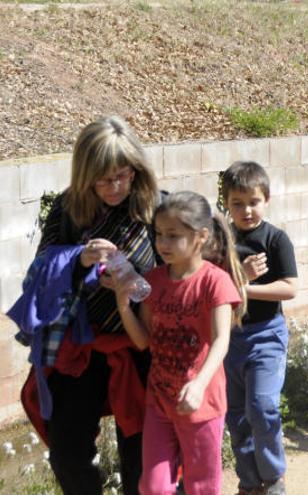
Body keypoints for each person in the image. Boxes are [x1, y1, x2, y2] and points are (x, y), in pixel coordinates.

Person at [27, 116, 160, 495]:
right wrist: (79, 258)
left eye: (123, 175)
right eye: (104, 179)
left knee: (142, 461)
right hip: (81, 347)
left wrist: (137, 278)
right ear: (85, 175)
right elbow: (40, 271)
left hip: (141, 348)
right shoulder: (68, 210)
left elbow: (184, 267)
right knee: (66, 452)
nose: (115, 187)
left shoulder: (154, 208)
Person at [114, 191, 246, 494]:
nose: (162, 244)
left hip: (203, 405)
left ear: (201, 236)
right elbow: (143, 341)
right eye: (159, 234)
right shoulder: (153, 281)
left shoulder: (215, 281)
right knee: (153, 487)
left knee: (202, 487)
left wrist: (198, 385)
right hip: (159, 401)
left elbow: (221, 339)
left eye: (173, 236)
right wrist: (123, 305)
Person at [220, 162, 298, 495]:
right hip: (228, 337)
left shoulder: (276, 239)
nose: (246, 210)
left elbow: (289, 288)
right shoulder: (220, 239)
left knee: (262, 406)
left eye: (253, 201)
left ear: (266, 199)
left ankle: (274, 477)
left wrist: (244, 287)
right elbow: (208, 279)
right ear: (226, 203)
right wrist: (238, 276)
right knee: (236, 416)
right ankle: (250, 482)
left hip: (266, 334)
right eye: (237, 203)